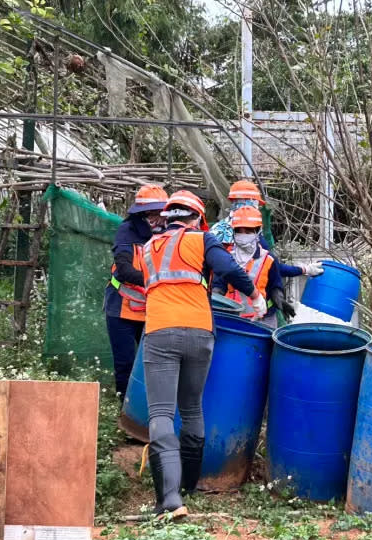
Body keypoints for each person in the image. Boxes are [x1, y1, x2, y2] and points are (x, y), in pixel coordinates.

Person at [137, 189, 265, 520]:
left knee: (161, 414)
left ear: (167, 218)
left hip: (160, 331)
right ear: (196, 219)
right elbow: (230, 269)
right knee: (192, 407)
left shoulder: (148, 248)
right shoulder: (202, 240)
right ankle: (190, 485)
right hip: (199, 331)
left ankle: (169, 497)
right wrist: (255, 295)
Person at [210, 179, 324, 320]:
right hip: (248, 313)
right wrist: (303, 270)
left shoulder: (215, 230)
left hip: (226, 311)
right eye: (256, 203)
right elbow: (271, 267)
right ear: (249, 202)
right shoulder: (252, 234)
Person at [104, 184, 167, 401]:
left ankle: (150, 408)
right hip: (121, 306)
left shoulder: (170, 234)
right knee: (125, 362)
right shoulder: (127, 230)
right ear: (140, 214)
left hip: (152, 309)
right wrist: (156, 281)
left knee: (154, 362)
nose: (156, 218)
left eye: (159, 213)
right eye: (150, 214)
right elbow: (124, 269)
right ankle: (125, 408)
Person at [212, 206, 284, 328]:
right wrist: (215, 296)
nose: (243, 235)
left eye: (248, 231)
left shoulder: (268, 259)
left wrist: (279, 298)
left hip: (263, 320)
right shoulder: (225, 257)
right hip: (232, 318)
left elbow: (275, 285)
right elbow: (219, 285)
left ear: (258, 231)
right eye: (239, 231)